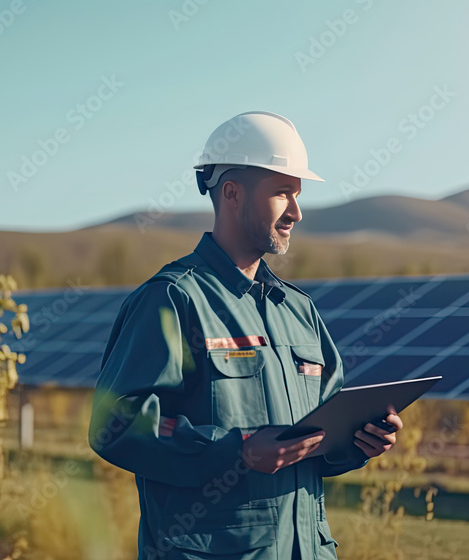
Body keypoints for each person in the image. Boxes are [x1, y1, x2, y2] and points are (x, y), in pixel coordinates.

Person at [88, 111, 404, 559]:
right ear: (232, 193)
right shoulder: (174, 299)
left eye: (297, 195)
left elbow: (321, 431)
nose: (296, 212)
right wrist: (235, 451)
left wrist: (358, 441)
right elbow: (115, 423)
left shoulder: (299, 312)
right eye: (281, 193)